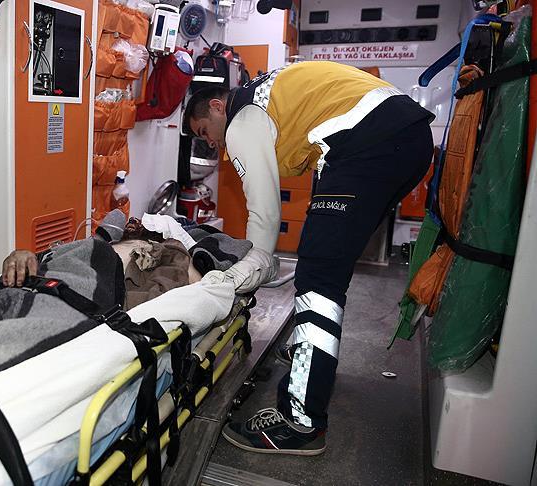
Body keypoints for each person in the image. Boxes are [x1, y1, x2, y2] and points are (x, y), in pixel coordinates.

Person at [183, 60, 434, 455]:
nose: (213, 143)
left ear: (217, 107)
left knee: (318, 279)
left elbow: (264, 212)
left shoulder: (241, 120)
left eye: (205, 132)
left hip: (368, 143)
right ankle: (306, 349)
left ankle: (299, 421)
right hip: (405, 138)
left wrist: (252, 269)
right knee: (326, 258)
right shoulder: (266, 95)